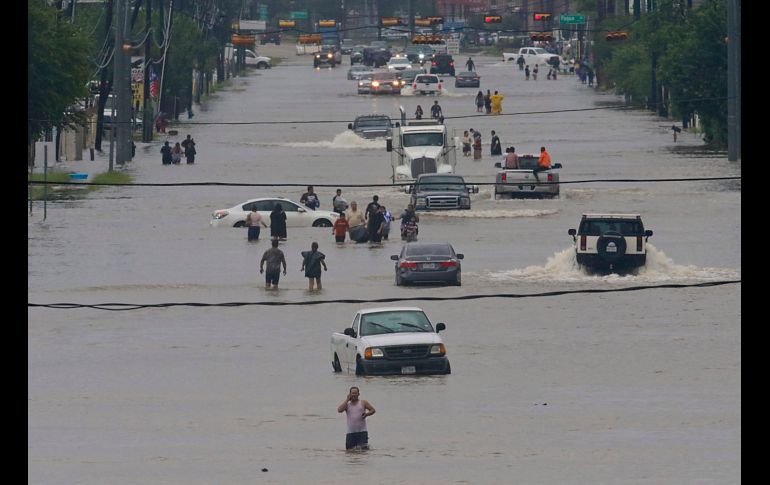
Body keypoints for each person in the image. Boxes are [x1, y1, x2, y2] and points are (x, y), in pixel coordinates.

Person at [337, 386, 375, 451]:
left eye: (355, 393)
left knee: (364, 451)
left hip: (362, 431)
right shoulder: (347, 405)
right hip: (350, 433)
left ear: (358, 394)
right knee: (349, 452)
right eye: (352, 393)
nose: (354, 395)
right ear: (349, 394)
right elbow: (339, 410)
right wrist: (347, 400)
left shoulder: (363, 402)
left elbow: (373, 410)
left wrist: (366, 414)